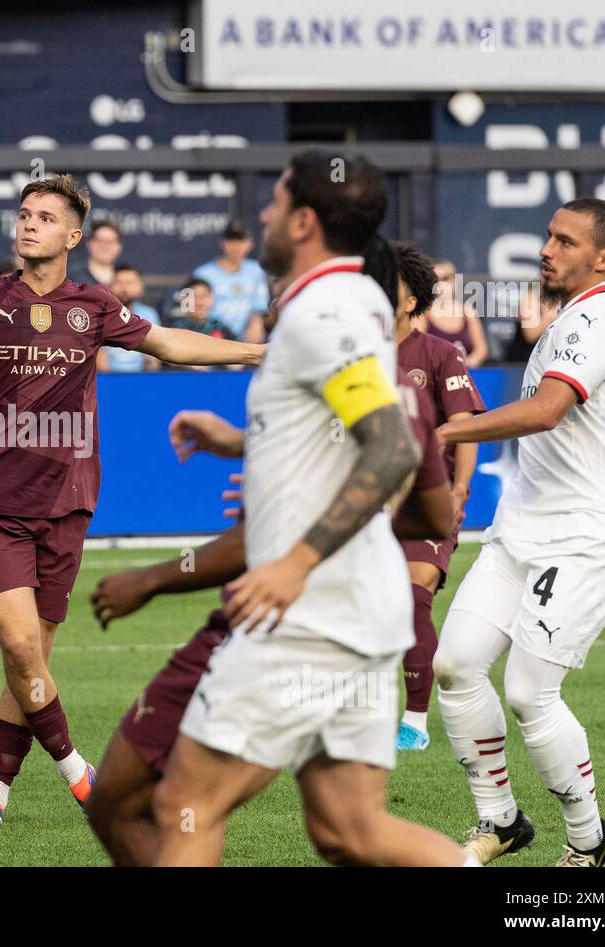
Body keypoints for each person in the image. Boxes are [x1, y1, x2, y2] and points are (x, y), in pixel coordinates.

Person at [0, 173, 265, 830]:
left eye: (45, 217)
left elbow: (169, 342)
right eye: (23, 214)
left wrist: (262, 352)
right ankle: (81, 773)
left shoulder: (93, 304)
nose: (28, 224)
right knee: (19, 647)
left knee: (32, 659)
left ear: (73, 235)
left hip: (69, 501)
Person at [149, 150, 472, 867]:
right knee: (348, 831)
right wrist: (239, 441)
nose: (260, 215)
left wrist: (294, 562)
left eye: (272, 201)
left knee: (181, 806)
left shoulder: (325, 311)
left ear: (301, 219)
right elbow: (354, 436)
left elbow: (388, 449)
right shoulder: (349, 300)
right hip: (361, 609)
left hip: (313, 613)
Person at [434, 198, 605, 868]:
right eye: (548, 236)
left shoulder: (603, 316)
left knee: (528, 691)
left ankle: (588, 836)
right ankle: (501, 820)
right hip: (524, 525)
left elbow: (548, 410)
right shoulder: (576, 316)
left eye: (563, 240)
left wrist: (445, 428)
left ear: (602, 258)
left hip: (586, 534)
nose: (546, 249)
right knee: (455, 664)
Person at [389, 241, 487, 750]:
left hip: (427, 503)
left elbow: (465, 426)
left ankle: (416, 722)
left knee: (412, 599)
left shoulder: (441, 354)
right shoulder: (354, 355)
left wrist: (458, 489)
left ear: (411, 301)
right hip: (368, 502)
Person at [191, 220, 270, 342]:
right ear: (222, 242)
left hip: (245, 342)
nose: (235, 246)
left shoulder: (256, 271)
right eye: (230, 240)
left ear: (250, 243)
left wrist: (256, 323)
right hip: (212, 339)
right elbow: (191, 312)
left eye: (241, 240)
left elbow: (258, 311)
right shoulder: (203, 274)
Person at [421, 259, 490, 367]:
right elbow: (415, 349)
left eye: (445, 278)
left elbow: (481, 349)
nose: (440, 284)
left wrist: (465, 363)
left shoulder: (467, 312)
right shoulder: (422, 314)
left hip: (463, 376)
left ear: (454, 281)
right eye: (435, 279)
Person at [97, 264, 161, 372]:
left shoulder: (149, 314)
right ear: (109, 287)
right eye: (119, 283)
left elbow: (154, 359)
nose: (124, 288)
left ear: (141, 287)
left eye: (130, 283)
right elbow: (100, 362)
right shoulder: (100, 315)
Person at [503, 284, 559, 363]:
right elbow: (530, 335)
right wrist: (550, 316)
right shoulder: (530, 297)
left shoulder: (564, 299)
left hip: (551, 360)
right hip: (523, 363)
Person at [69, 220, 121, 287]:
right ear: (90, 244)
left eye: (110, 241)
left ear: (118, 246)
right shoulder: (71, 277)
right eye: (100, 241)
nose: (104, 246)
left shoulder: (126, 282)